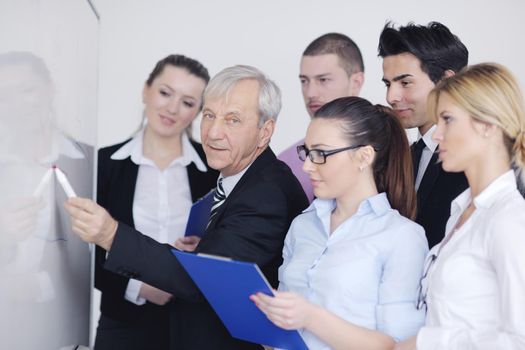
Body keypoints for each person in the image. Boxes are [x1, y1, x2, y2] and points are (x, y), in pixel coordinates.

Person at [65, 65, 308, 349]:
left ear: (265, 132)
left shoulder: (267, 192)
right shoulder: (242, 174)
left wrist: (111, 235)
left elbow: (207, 279)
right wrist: (206, 247)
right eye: (209, 116)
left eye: (232, 120)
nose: (214, 132)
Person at [252, 96, 428, 350]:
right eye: (308, 152)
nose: (308, 166)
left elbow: (397, 345)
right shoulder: (302, 225)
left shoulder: (402, 237)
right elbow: (281, 326)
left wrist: (310, 316)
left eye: (321, 153)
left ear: (364, 156)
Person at [395, 63, 525, 350]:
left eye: (448, 120)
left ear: (488, 125)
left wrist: (427, 342)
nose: (437, 134)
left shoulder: (509, 220)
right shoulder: (461, 211)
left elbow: (520, 339)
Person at [93, 54, 218, 350]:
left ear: (198, 111)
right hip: (123, 323)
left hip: (195, 322)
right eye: (165, 93)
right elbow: (87, 253)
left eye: (188, 102)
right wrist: (137, 287)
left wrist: (207, 248)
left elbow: (231, 241)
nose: (173, 108)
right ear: (145, 90)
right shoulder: (105, 164)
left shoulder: (213, 168)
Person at [378, 21, 469, 248]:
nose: (391, 97)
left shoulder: (474, 161)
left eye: (405, 83)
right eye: (388, 84)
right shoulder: (403, 155)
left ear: (447, 82)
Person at [278, 33, 364, 202]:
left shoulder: (390, 150)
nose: (310, 93)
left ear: (356, 82)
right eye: (304, 81)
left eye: (323, 80)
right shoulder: (286, 163)